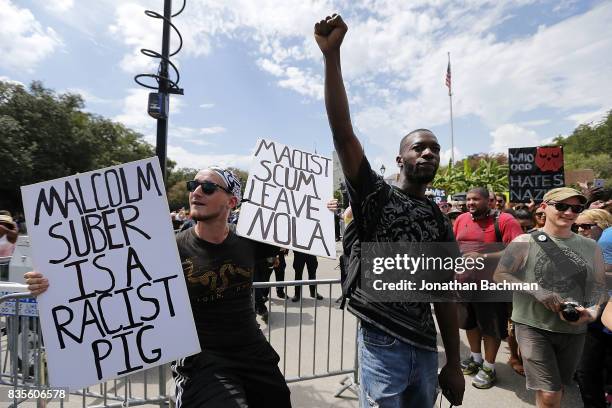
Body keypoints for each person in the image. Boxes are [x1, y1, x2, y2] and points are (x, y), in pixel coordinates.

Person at [26, 166, 292, 408]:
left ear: (232, 202)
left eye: (208, 188)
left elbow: (298, 231)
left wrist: (328, 213)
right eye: (193, 185)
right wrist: (50, 283)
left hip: (253, 352)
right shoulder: (169, 247)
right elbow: (104, 277)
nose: (196, 192)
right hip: (202, 361)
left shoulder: (248, 242)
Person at [314, 14, 464, 407]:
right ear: (401, 158)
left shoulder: (437, 218)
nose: (429, 152)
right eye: (420, 147)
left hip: (425, 346)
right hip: (382, 343)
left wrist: (453, 362)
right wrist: (333, 58)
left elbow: (444, 294)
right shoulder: (374, 195)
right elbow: (342, 132)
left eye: (435, 148)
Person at [494, 187, 608, 408]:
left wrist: (592, 313)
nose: (569, 212)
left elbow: (599, 286)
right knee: (550, 393)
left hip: (573, 330)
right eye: (562, 206)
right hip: (532, 326)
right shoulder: (525, 240)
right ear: (544, 207)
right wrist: (536, 290)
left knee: (556, 389)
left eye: (576, 208)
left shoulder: (590, 246)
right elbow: (500, 275)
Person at [453, 187, 524, 389]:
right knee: (469, 324)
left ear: (489, 200)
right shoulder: (461, 219)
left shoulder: (504, 221)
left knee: (491, 328)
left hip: (491, 287)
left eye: (475, 199)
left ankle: (489, 367)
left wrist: (483, 257)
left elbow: (519, 249)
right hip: (464, 285)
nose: (470, 203)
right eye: (468, 199)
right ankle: (476, 359)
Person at [573, 208, 612, 408]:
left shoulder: (606, 242)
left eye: (586, 226)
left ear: (602, 225)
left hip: (602, 316)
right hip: (594, 317)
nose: (580, 229)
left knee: (587, 372)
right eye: (577, 225)